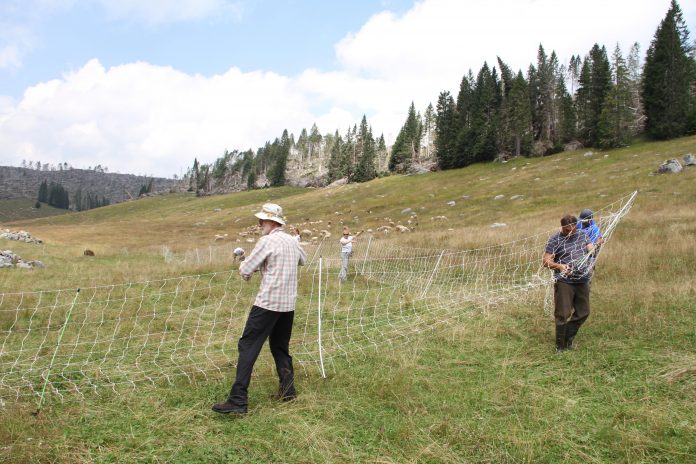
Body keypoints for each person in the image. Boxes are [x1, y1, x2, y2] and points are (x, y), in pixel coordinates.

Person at [212, 203, 306, 415]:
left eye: (261, 221)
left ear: (271, 221)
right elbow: (303, 260)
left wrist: (247, 266)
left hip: (267, 303)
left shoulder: (267, 240)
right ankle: (288, 390)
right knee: (280, 346)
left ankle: (238, 400)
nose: (259, 224)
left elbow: (246, 269)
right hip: (287, 305)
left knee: (248, 345)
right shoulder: (292, 240)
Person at [543, 215, 596, 353]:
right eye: (566, 230)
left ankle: (568, 338)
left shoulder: (582, 234)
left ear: (576, 226)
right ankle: (560, 346)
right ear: (562, 227)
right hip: (564, 281)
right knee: (563, 314)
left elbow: (590, 247)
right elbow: (546, 261)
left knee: (584, 312)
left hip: (582, 280)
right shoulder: (555, 239)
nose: (570, 233)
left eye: (572, 229)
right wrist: (559, 266)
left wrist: (591, 249)